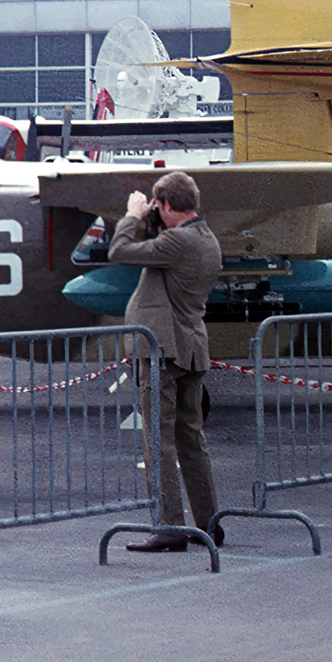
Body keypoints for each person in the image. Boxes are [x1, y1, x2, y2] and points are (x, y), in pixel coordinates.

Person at [107, 171, 224, 553]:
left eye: (160, 207)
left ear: (169, 206)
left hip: (164, 351)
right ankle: (210, 522)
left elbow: (119, 251)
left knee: (158, 440)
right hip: (190, 347)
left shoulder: (176, 241)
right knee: (191, 439)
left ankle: (170, 525)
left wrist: (133, 216)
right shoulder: (206, 239)